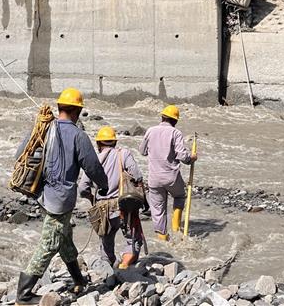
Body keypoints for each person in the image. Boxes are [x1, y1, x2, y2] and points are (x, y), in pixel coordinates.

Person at [15, 88, 109, 305]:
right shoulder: (78, 136)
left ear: (59, 108)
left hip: (41, 195)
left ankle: (78, 279)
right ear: (77, 111)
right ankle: (24, 294)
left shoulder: (43, 128)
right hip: (61, 200)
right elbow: (93, 167)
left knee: (63, 238)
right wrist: (104, 187)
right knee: (49, 243)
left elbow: (20, 154)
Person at [79, 126, 145, 269]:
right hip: (123, 206)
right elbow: (138, 175)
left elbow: (83, 188)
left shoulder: (93, 159)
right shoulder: (124, 154)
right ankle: (126, 265)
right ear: (114, 142)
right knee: (133, 239)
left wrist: (92, 198)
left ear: (98, 144)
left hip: (102, 209)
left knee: (106, 243)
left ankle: (108, 272)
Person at [139, 105, 197, 241]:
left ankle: (162, 238)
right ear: (175, 121)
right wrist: (192, 157)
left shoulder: (150, 131)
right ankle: (176, 229)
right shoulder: (175, 133)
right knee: (179, 196)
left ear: (162, 117)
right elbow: (183, 157)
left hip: (154, 179)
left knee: (158, 210)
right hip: (171, 177)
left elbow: (142, 151)